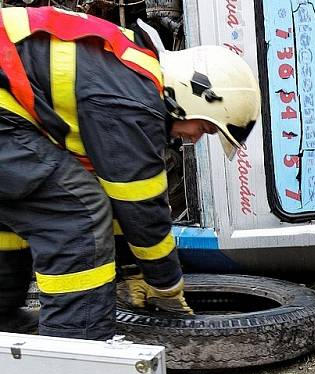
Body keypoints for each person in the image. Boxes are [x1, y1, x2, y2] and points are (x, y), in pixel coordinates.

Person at [0, 6, 260, 340]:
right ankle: (77, 358)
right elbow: (143, 211)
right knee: (76, 211)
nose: (195, 136)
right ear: (193, 94)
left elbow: (124, 204)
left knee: (15, 215)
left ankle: (3, 323)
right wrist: (166, 287)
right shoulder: (134, 103)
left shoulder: (128, 75)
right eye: (206, 127)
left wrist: (133, 270)